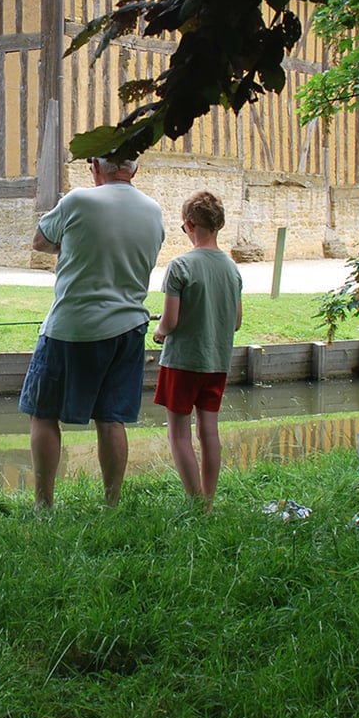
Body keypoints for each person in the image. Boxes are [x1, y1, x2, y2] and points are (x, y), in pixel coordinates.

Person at [18, 155, 166, 509]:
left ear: (95, 168)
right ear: (135, 169)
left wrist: (71, 246)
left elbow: (40, 241)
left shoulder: (78, 200)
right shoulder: (153, 210)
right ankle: (112, 503)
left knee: (43, 411)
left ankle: (44, 503)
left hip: (72, 326)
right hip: (129, 328)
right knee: (111, 418)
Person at [152, 190, 243, 511]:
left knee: (178, 433)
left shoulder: (179, 266)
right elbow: (235, 322)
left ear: (189, 225)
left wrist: (159, 331)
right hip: (216, 362)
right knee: (209, 431)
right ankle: (209, 498)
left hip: (182, 362)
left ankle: (196, 503)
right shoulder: (232, 269)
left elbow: (171, 320)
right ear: (217, 226)